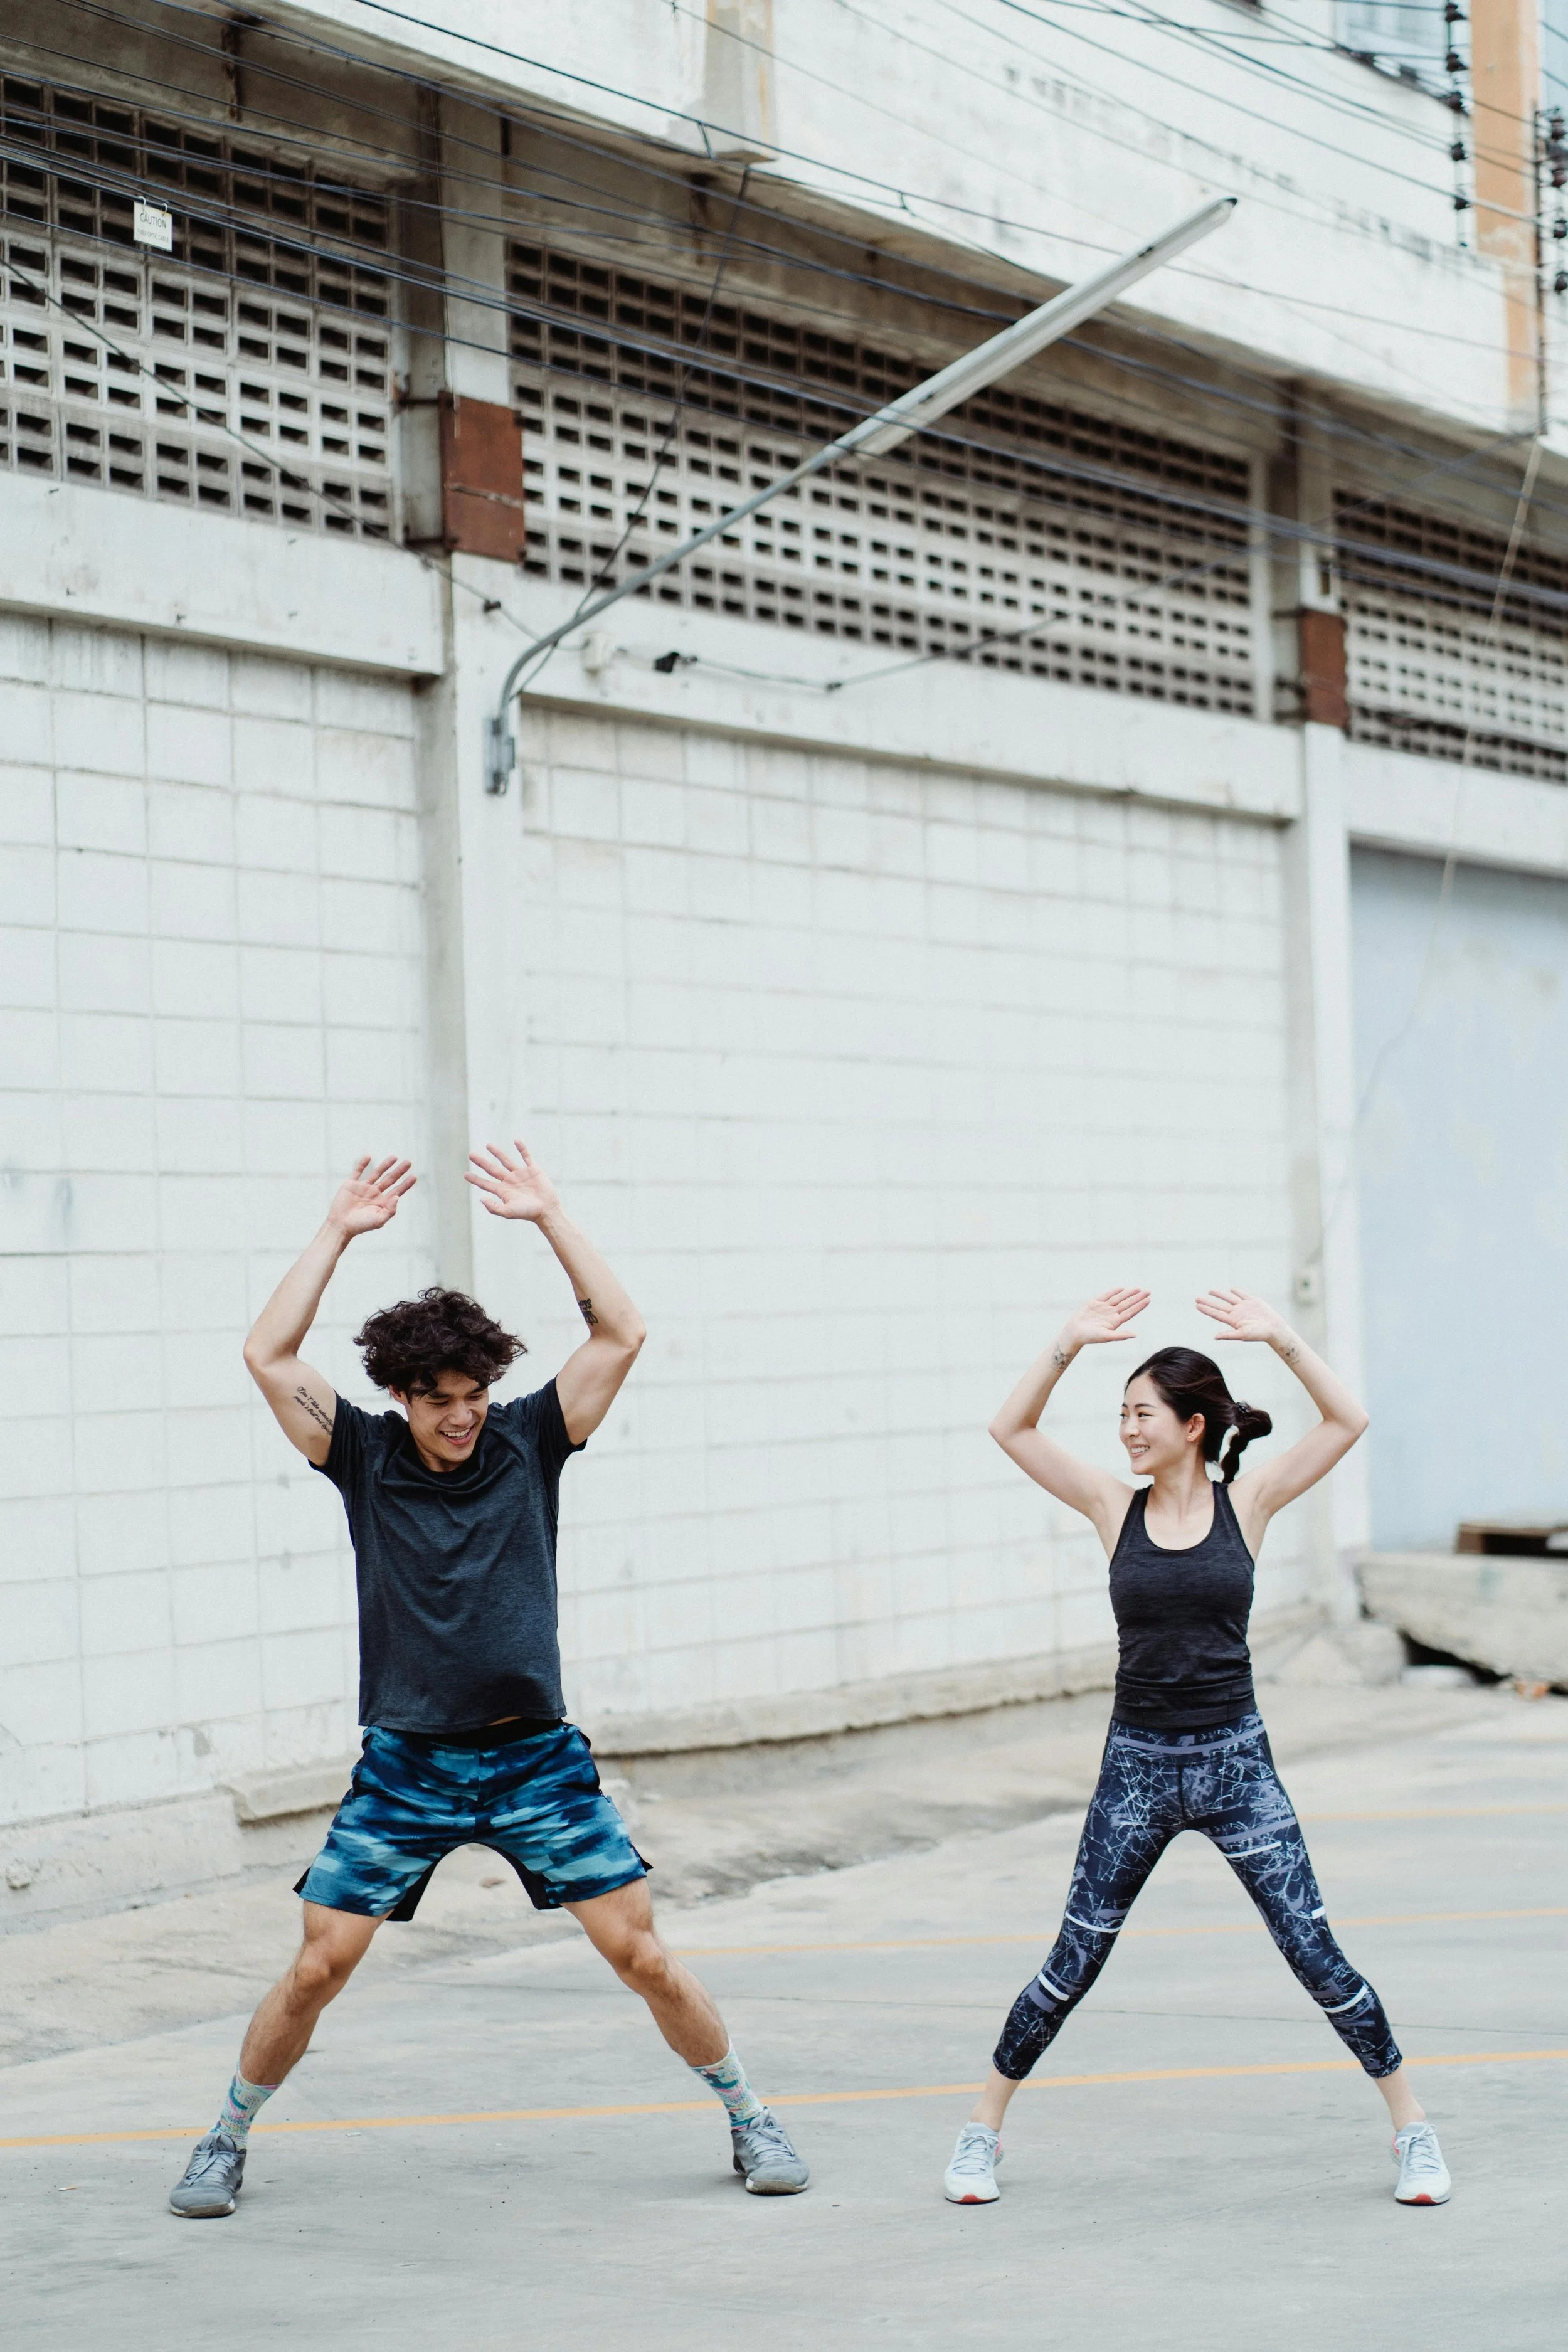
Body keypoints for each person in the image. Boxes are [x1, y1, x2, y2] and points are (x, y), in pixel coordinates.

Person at [169, 1143, 808, 2218]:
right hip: (408, 1764)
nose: (462, 1415)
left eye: (474, 1395)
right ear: (401, 1394)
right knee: (320, 1965)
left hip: (533, 1760)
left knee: (642, 1954)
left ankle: (750, 2115)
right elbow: (266, 1351)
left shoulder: (531, 1440)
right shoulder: (362, 1455)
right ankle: (224, 2137)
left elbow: (622, 1332)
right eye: (440, 1399)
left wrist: (551, 1215)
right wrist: (337, 1229)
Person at [941, 1285, 1450, 2212]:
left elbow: (1349, 1419)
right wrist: (1067, 1342)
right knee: (1073, 1960)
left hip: (1236, 1765)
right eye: (1121, 1414)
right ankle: (981, 2133)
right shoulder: (1111, 1505)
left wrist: (1281, 1336)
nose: (1126, 1430)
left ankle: (1413, 2129)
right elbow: (1010, 1429)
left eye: (1142, 1414)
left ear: (1192, 1425)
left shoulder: (1248, 1502)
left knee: (1315, 1951)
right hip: (1136, 1767)